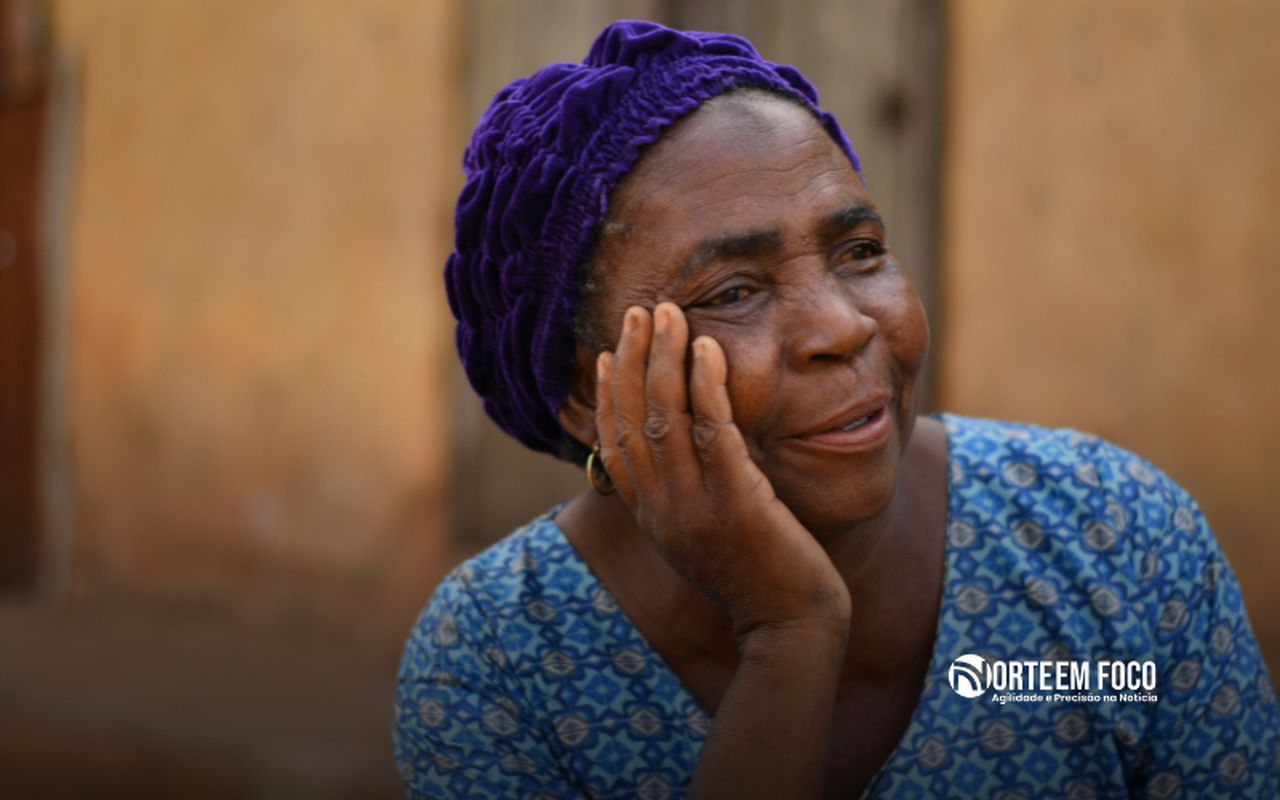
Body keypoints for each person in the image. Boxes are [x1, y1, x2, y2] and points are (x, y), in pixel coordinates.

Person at [394, 20, 1279, 799]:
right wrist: (789, 634)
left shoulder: (1114, 539)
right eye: (734, 290)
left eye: (859, 250)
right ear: (589, 396)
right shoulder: (497, 664)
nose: (844, 326)